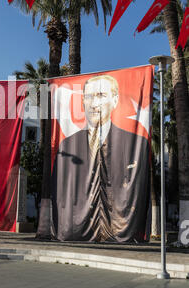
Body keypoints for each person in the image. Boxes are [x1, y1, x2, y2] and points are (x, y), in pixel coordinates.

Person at [51, 75, 150, 243]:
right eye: (88, 97)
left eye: (101, 95)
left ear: (115, 100)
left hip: (120, 226)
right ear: (82, 102)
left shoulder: (135, 143)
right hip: (77, 228)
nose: (94, 104)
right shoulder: (67, 146)